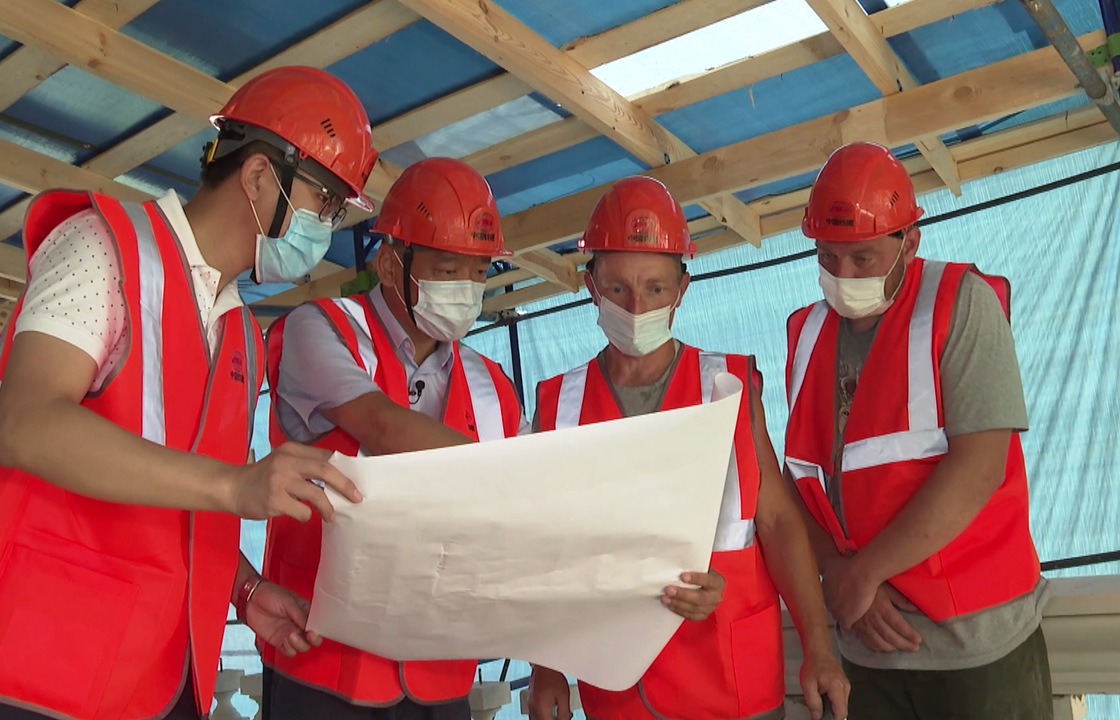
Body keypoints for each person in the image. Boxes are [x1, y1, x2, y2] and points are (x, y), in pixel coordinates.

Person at [0, 66, 376, 720]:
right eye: (324, 201)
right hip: (21, 669)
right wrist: (235, 486)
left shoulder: (240, 330)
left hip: (153, 677)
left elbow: (183, 495)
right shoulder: (105, 248)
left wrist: (244, 589)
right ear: (256, 177)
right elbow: (27, 424)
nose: (326, 226)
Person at [528, 176, 848, 720]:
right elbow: (541, 549)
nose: (636, 307)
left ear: (682, 290)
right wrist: (545, 667)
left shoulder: (730, 386)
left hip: (733, 684)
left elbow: (778, 522)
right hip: (619, 692)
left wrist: (820, 648)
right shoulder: (558, 405)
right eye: (618, 289)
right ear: (590, 286)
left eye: (655, 289)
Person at [783, 141, 1051, 719]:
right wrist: (838, 572)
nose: (842, 277)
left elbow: (979, 466)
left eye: (863, 259)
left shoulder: (962, 304)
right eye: (827, 259)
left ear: (910, 242)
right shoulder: (807, 335)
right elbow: (799, 479)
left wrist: (864, 574)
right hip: (866, 652)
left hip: (977, 649)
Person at [261, 157, 529, 720]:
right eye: (448, 269)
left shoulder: (495, 388)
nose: (467, 289)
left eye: (479, 273)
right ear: (389, 265)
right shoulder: (321, 328)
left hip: (440, 670)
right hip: (322, 662)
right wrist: (523, 477)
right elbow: (380, 427)